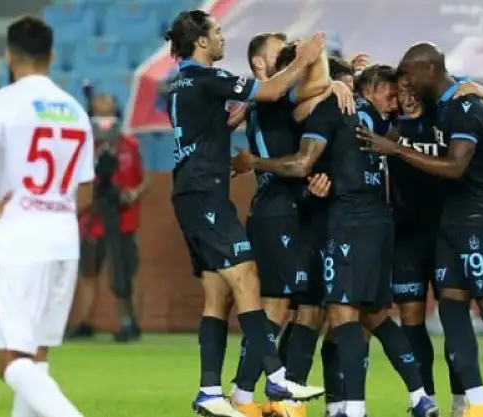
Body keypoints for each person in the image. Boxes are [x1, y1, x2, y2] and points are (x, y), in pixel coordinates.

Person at [358, 41, 483, 417]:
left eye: (409, 75)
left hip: (482, 218)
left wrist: (397, 149)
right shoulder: (438, 106)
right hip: (451, 223)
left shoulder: (466, 105)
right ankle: (477, 406)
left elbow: (458, 165)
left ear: (429, 72)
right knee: (451, 310)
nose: (404, 84)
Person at [233, 56, 439, 417]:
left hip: (350, 223)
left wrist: (253, 163)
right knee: (375, 316)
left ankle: (352, 409)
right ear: (372, 89)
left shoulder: (334, 106)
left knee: (343, 315)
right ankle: (420, 396)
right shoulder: (376, 118)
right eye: (390, 95)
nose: (393, 103)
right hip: (379, 222)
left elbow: (301, 163)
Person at [164, 10, 325, 417]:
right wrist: (304, 59)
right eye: (217, 32)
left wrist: (236, 117)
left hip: (191, 193)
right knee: (247, 276)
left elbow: (212, 126)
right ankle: (275, 375)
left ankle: (209, 391)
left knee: (217, 295)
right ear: (201, 41)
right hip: (205, 196)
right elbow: (270, 91)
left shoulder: (180, 85)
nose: (222, 38)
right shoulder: (209, 78)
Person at [0, 15, 93, 417]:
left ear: (9, 56)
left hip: (18, 240)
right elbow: (85, 191)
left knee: (8, 362)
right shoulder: (75, 110)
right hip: (62, 240)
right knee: (36, 356)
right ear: (51, 55)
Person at [229, 34, 354, 417]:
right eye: (279, 49)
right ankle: (243, 394)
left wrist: (336, 83)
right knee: (274, 307)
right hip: (276, 212)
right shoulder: (270, 97)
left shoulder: (267, 101)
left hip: (287, 212)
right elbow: (309, 91)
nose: (291, 55)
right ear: (258, 63)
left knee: (292, 307)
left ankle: (267, 394)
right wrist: (333, 84)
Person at [389, 76, 483, 417]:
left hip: (448, 231)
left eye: (412, 90)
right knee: (411, 318)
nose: (406, 97)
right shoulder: (389, 126)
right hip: (407, 236)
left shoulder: (447, 118)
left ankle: (463, 401)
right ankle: (424, 400)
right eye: (400, 91)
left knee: (454, 316)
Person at [67, 93, 149, 343]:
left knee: (126, 272)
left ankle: (130, 323)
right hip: (92, 219)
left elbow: (145, 181)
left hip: (124, 220)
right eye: (99, 113)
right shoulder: (84, 147)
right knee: (88, 272)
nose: (104, 118)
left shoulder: (130, 144)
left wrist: (133, 193)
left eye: (109, 112)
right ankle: (83, 323)